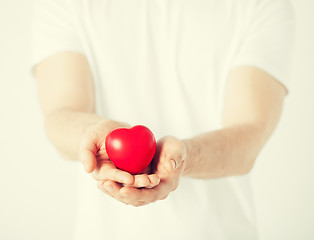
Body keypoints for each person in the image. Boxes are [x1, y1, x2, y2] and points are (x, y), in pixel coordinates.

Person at [30, 0, 295, 239]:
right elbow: (61, 115)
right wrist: (98, 135)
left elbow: (249, 135)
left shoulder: (261, 4)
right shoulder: (62, 4)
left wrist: (184, 157)